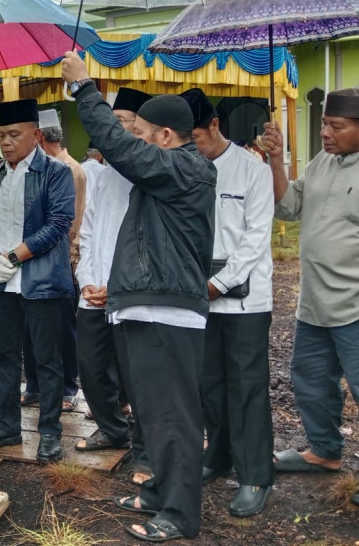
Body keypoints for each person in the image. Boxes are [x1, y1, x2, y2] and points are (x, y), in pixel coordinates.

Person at [63, 52, 216, 542]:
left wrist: (84, 87)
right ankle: (157, 494)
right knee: (152, 413)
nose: (136, 144)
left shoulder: (186, 170)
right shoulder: (167, 173)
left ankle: (179, 514)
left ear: (165, 138)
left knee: (173, 417)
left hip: (167, 311)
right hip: (145, 306)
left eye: (143, 134)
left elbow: (117, 145)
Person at [262, 89, 359, 509]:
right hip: (314, 304)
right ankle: (324, 451)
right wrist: (275, 158)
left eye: (336, 126)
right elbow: (288, 206)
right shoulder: (323, 162)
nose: (325, 133)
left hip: (355, 307)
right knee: (310, 381)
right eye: (323, 124)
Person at [181, 88, 275, 518]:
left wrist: (219, 283)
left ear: (214, 126)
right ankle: (217, 457)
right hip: (200, 296)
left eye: (196, 136)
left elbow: (256, 238)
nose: (191, 145)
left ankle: (255, 475)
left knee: (247, 387)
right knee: (209, 385)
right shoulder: (187, 167)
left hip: (244, 300)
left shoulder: (251, 170)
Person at [0, 100, 75, 462]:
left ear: (36, 134)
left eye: (14, 134)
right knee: (6, 355)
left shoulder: (55, 172)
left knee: (46, 358)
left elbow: (58, 225)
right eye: (1, 135)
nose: (6, 142)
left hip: (40, 280)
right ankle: (7, 426)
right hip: (1, 280)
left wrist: (12, 258)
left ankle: (49, 432)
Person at [72, 88, 153, 466]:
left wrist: (118, 286)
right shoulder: (102, 176)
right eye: (112, 122)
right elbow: (88, 233)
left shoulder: (150, 176)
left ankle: (146, 441)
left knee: (135, 370)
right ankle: (111, 427)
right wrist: (86, 278)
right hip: (94, 289)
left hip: (132, 292)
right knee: (90, 360)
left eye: (120, 123)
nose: (112, 130)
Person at [18, 108, 83, 412]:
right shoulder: (35, 169)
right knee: (30, 327)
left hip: (60, 260)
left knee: (61, 330)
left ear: (38, 138)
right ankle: (33, 384)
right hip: (32, 258)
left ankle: (68, 387)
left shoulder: (66, 169)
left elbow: (67, 224)